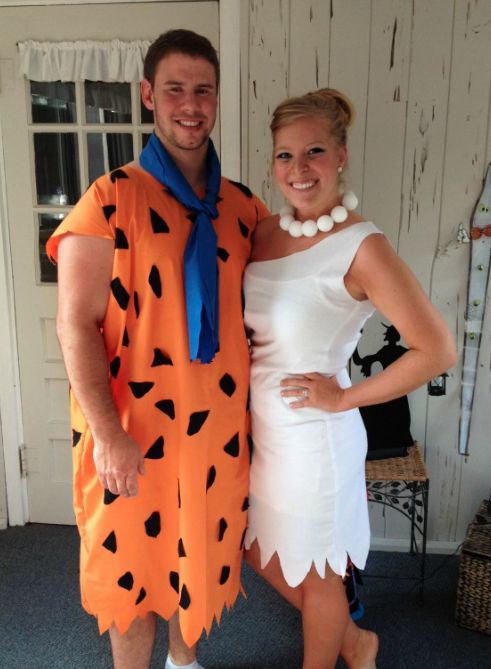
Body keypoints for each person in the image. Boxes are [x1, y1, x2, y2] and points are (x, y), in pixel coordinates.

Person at [46, 29, 269, 669]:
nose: (190, 104)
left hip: (216, 431)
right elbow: (74, 326)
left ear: (217, 100)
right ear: (148, 95)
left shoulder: (242, 208)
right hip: (132, 430)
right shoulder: (108, 200)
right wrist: (108, 431)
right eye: (175, 89)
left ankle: (184, 662)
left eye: (203, 90)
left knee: (198, 556)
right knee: (133, 572)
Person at [243, 88, 457, 669]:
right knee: (261, 551)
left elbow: (437, 349)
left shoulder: (363, 247)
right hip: (264, 436)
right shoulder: (263, 233)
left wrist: (344, 398)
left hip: (316, 441)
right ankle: (356, 643)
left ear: (340, 156)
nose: (298, 169)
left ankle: (342, 657)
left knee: (319, 574)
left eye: (313, 151)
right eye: (284, 156)